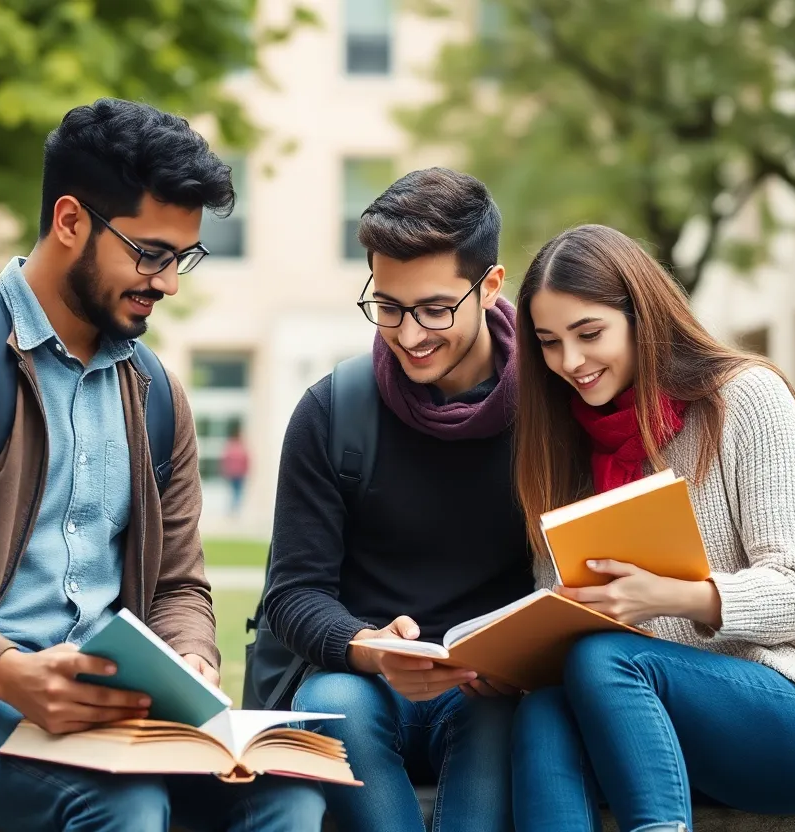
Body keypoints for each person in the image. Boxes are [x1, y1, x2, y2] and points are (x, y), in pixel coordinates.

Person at [0, 98, 325, 832]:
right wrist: (4, 669)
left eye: (182, 259)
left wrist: (190, 661)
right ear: (71, 220)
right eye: (150, 254)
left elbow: (178, 584)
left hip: (117, 714)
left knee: (291, 797)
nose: (169, 283)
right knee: (123, 804)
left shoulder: (157, 394)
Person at [508, 225, 795, 832]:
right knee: (542, 709)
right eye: (549, 342)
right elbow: (565, 608)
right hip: (644, 723)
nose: (570, 362)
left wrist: (669, 596)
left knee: (605, 659)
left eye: (589, 334)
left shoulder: (746, 398)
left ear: (641, 318)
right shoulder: (562, 445)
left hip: (792, 713)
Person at [264, 168, 534, 832]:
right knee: (333, 702)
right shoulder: (332, 411)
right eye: (388, 307)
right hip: (360, 687)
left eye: (435, 309)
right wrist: (371, 648)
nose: (410, 335)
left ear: (490, 285)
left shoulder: (549, 413)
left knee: (503, 716)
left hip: (492, 696)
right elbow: (293, 594)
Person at [221, 425, 250, 516]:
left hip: (233, 473)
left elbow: (225, 460)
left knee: (234, 491)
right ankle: (235, 509)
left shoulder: (230, 446)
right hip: (239, 474)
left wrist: (225, 471)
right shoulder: (241, 447)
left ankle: (233, 509)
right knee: (237, 492)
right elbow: (246, 460)